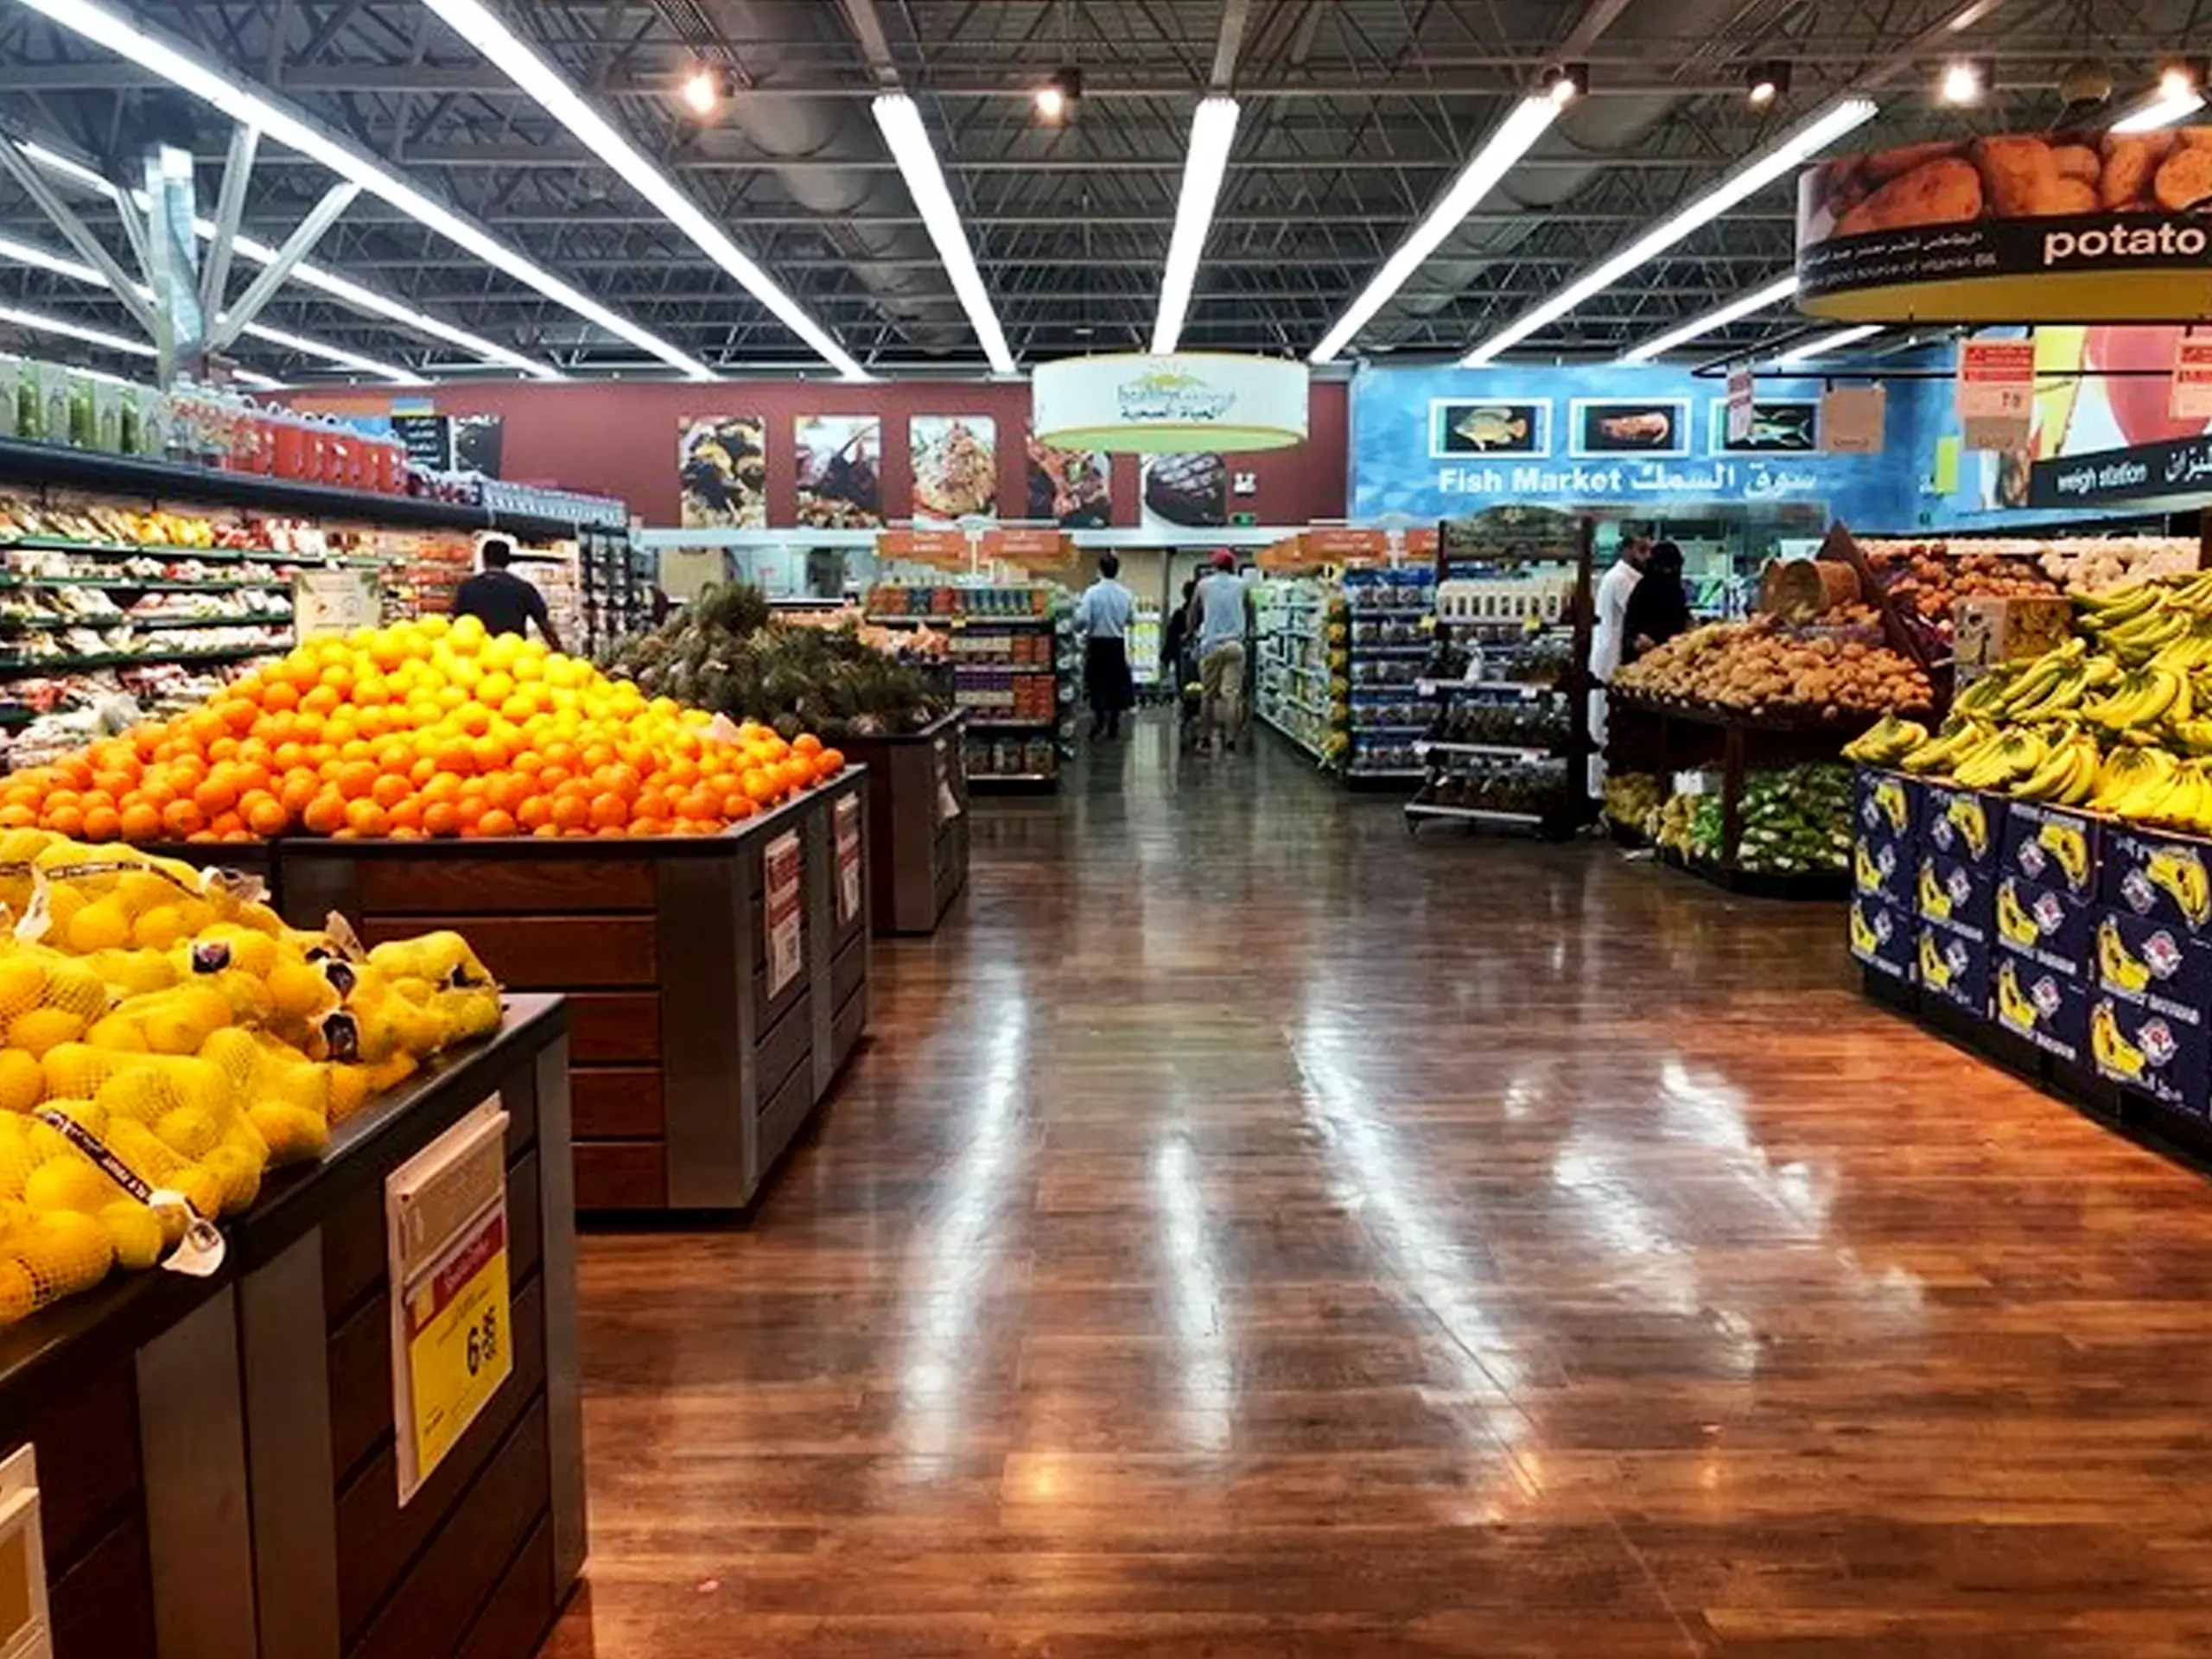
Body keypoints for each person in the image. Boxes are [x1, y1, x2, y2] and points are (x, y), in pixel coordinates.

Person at [1587, 534, 1648, 796]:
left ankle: (1602, 787)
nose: (1647, 556)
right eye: (1642, 550)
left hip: (1611, 656)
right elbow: (1639, 617)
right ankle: (1599, 790)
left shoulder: (1623, 577)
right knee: (1603, 726)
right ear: (1627, 550)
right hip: (1610, 660)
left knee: (1604, 723)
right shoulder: (1621, 579)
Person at [453, 535, 563, 653]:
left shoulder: (467, 587)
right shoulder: (523, 588)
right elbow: (544, 625)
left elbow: (457, 623)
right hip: (514, 655)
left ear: (484, 560)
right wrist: (560, 651)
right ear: (507, 561)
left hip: (477, 655)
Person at [1192, 551, 1250, 753]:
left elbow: (1193, 612)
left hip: (1211, 645)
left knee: (1208, 694)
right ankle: (1231, 740)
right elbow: (1249, 611)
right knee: (1231, 695)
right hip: (1235, 644)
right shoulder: (1243, 585)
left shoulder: (1203, 585)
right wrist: (1246, 632)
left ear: (1215, 565)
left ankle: (1205, 739)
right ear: (1232, 565)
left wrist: (1189, 632)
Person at [1076, 551, 1135, 739]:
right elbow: (1131, 620)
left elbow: (1083, 619)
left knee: (1097, 684)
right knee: (1116, 684)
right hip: (1117, 643)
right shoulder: (1126, 594)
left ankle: (1099, 720)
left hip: (1097, 643)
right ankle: (1114, 724)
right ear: (1118, 570)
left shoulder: (1092, 593)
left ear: (1099, 570)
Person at [1622, 540, 1692, 662]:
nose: (1670, 572)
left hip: (1675, 655)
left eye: (1674, 567)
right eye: (1665, 567)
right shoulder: (1644, 590)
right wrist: (1637, 638)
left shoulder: (1676, 589)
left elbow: (1680, 615)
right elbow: (1631, 625)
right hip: (1644, 658)